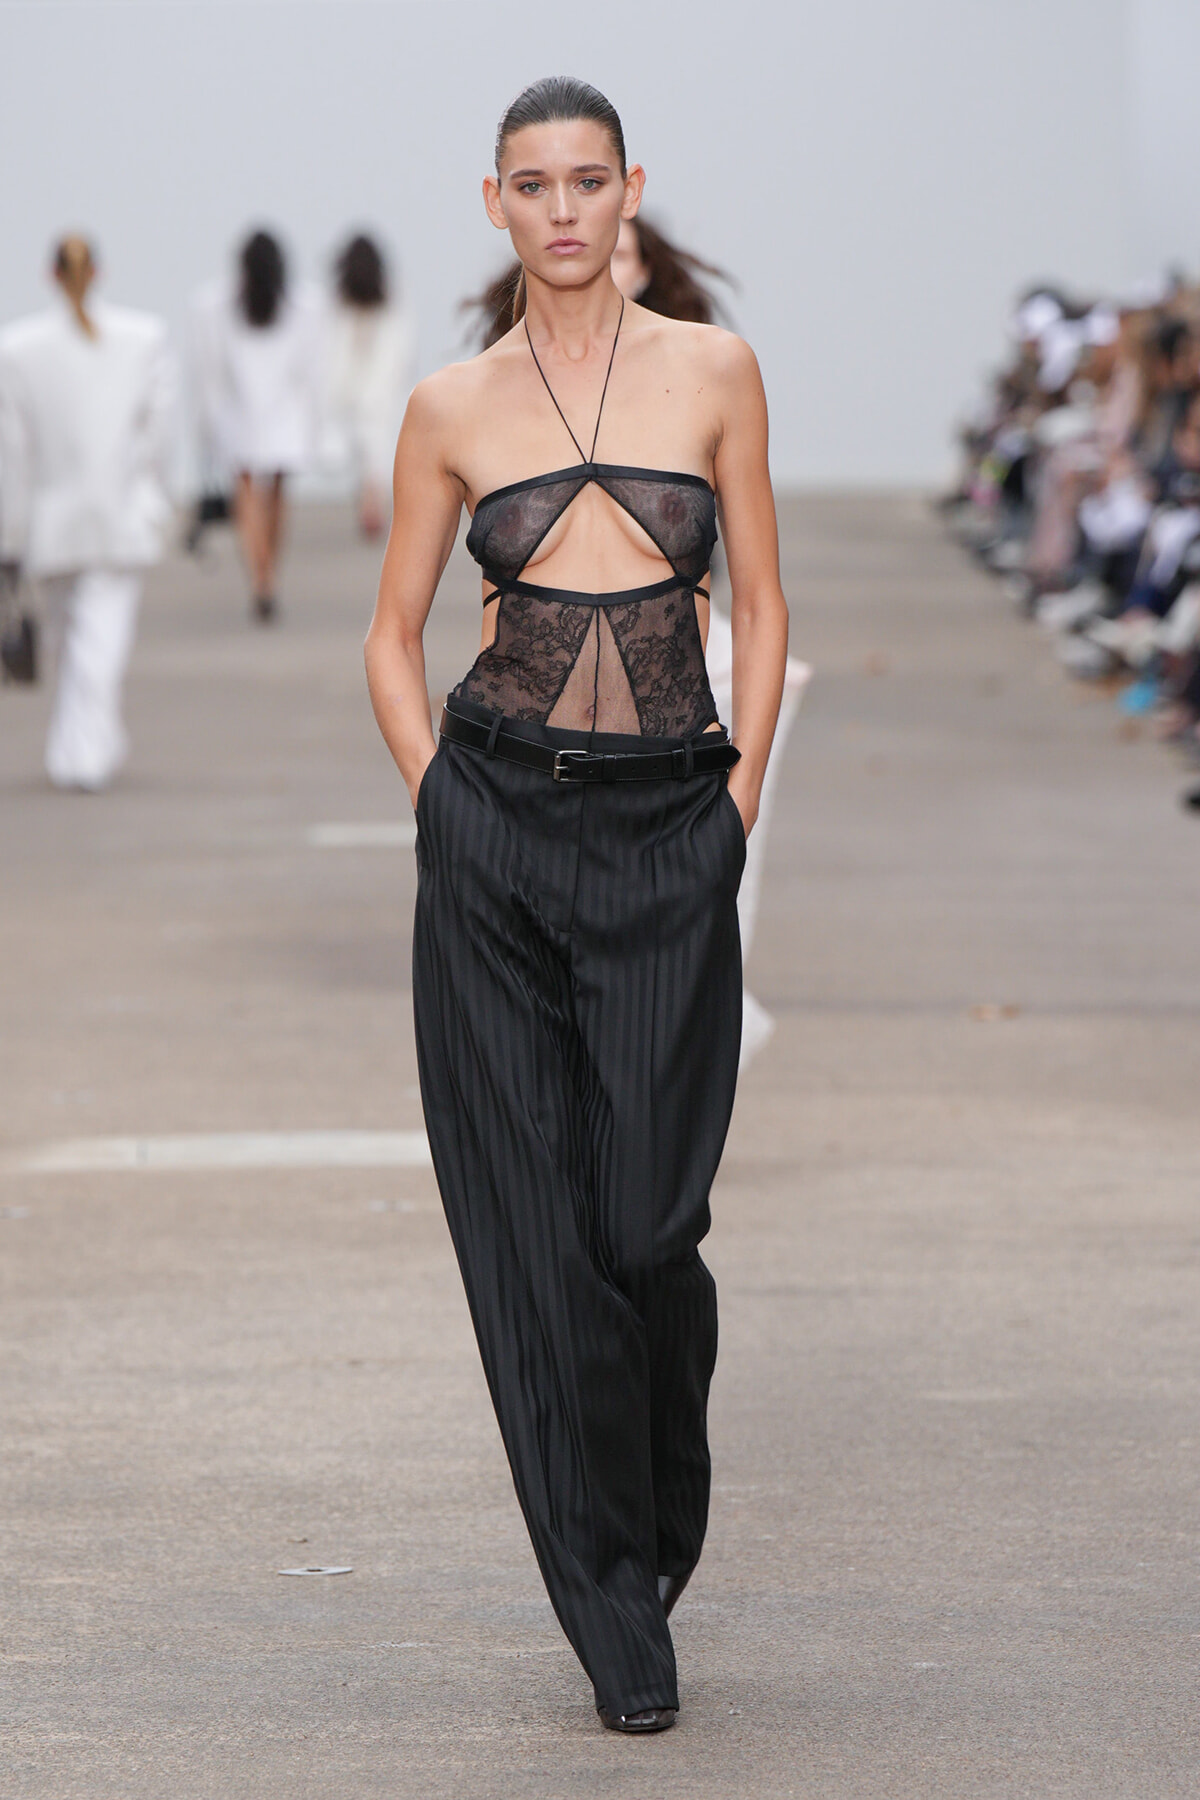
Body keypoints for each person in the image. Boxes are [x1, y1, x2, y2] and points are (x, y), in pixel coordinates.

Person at [365, 77, 788, 1734]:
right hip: (499, 831)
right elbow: (391, 635)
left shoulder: (716, 374)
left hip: (672, 829)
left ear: (630, 194)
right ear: (495, 204)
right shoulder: (452, 406)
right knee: (537, 1245)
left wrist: (731, 817)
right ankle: (615, 1606)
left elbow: (757, 596)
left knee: (646, 1229)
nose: (560, 209)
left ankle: (656, 1504)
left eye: (586, 180)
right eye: (531, 184)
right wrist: (441, 811)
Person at [0, 236, 174, 790]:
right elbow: (158, 434)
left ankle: (80, 750)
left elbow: (12, 453)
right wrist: (153, 496)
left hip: (51, 524)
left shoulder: (18, 348)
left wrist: (9, 535)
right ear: (97, 271)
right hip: (118, 514)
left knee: (70, 640)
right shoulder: (143, 337)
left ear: (50, 274)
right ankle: (84, 751)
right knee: (99, 641)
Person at [190, 230, 321, 622]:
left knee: (246, 496)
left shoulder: (216, 305)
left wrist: (206, 426)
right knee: (277, 497)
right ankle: (269, 574)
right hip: (286, 416)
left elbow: (208, 369)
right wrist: (315, 426)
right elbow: (313, 370)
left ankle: (260, 577)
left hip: (239, 415)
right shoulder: (304, 305)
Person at [323, 233, 414, 538]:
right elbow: (400, 346)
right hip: (380, 387)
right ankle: (371, 505)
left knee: (364, 449)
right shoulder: (388, 298)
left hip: (353, 386)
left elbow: (332, 347)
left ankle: (369, 505)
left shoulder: (340, 299)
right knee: (376, 448)